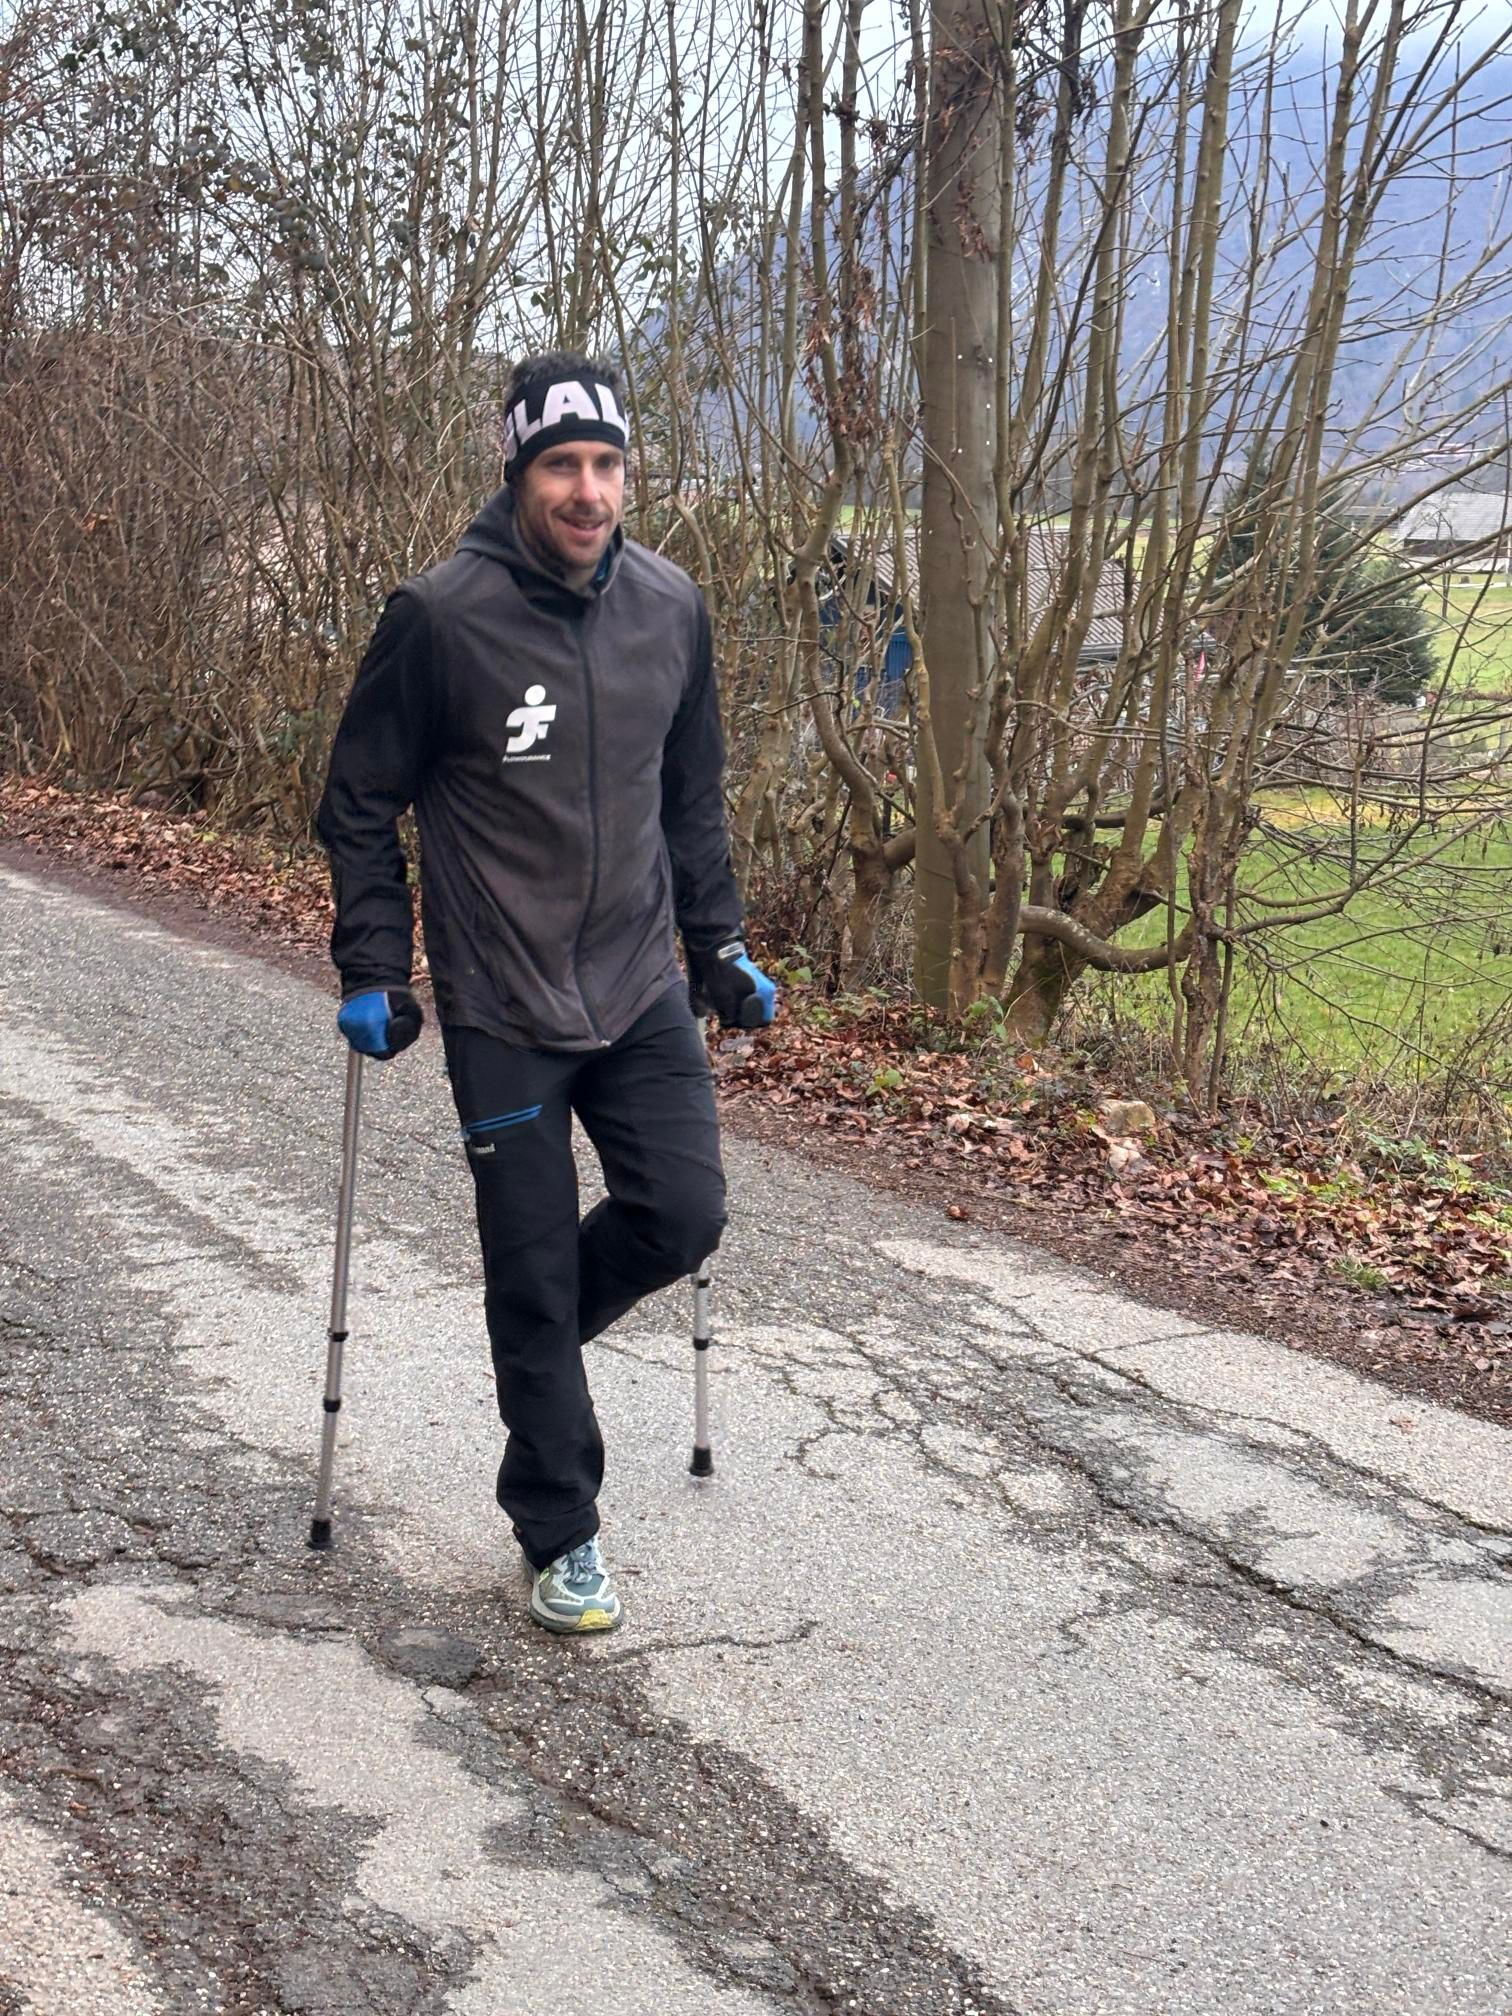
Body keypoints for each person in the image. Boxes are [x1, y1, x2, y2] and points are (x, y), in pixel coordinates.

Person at [316, 351, 776, 1635]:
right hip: (502, 1000)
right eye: (562, 465)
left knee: (683, 1214)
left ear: (630, 473)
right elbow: (358, 802)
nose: (588, 490)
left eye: (606, 464)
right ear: (518, 473)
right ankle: (561, 1528)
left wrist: (719, 943)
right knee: (527, 1266)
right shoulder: (439, 617)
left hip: (636, 984)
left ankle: (531, 1333)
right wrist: (374, 963)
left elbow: (692, 798)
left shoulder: (671, 608)